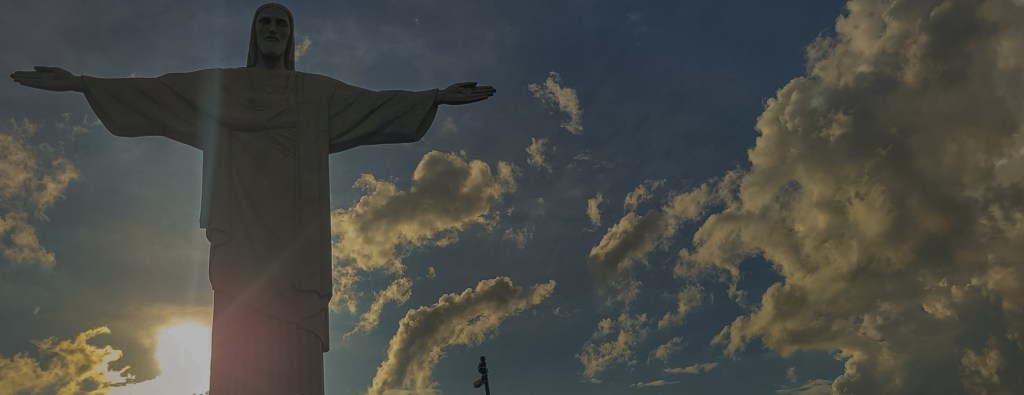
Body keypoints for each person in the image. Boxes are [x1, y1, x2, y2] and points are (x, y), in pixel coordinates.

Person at [10, 3, 495, 394]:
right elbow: (159, 95)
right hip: (241, 231)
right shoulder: (223, 87)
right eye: (264, 22)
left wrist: (433, 97)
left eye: (281, 24)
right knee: (241, 336)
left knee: (294, 347)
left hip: (295, 240)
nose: (272, 30)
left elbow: (372, 104)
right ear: (252, 33)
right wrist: (81, 84)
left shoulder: (315, 95)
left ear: (291, 37)